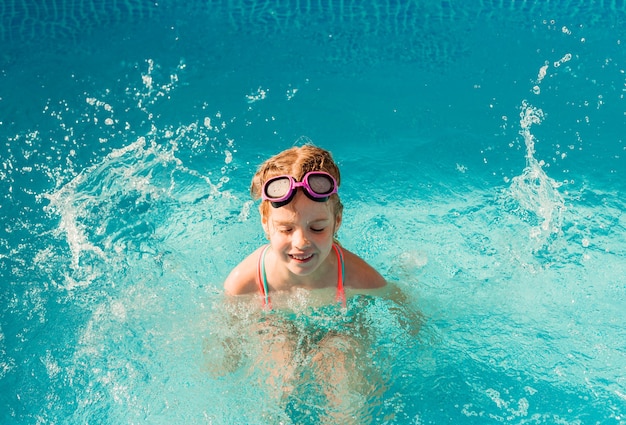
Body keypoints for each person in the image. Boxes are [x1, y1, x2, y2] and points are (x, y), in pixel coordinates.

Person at [223, 144, 387, 309]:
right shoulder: (243, 283)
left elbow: (401, 303)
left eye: (317, 228)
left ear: (337, 221)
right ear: (265, 222)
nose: (301, 242)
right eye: (286, 229)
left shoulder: (359, 277)